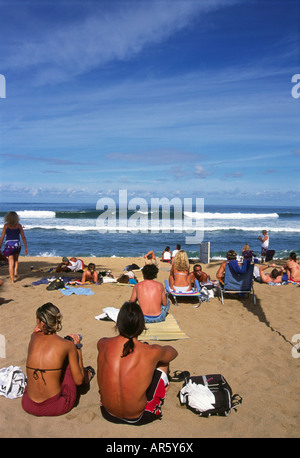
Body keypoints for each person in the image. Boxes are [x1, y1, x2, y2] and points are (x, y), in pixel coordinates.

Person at [97, 301, 178, 425]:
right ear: (141, 325)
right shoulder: (151, 351)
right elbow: (173, 353)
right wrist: (155, 349)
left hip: (107, 412)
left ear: (118, 323)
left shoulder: (102, 344)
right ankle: (160, 390)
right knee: (162, 362)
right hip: (139, 416)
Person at [22, 302, 94, 417]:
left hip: (28, 403)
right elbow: (78, 381)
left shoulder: (33, 337)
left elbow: (38, 334)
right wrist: (77, 348)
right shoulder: (66, 345)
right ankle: (88, 373)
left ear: (41, 322)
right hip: (55, 406)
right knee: (69, 364)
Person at [0, 211, 28, 283]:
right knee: (16, 260)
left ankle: (12, 280)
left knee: (10, 262)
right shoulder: (19, 226)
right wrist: (26, 247)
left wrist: (0, 246)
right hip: (17, 245)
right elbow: (23, 237)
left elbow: (2, 237)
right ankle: (15, 272)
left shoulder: (6, 226)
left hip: (9, 245)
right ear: (16, 218)